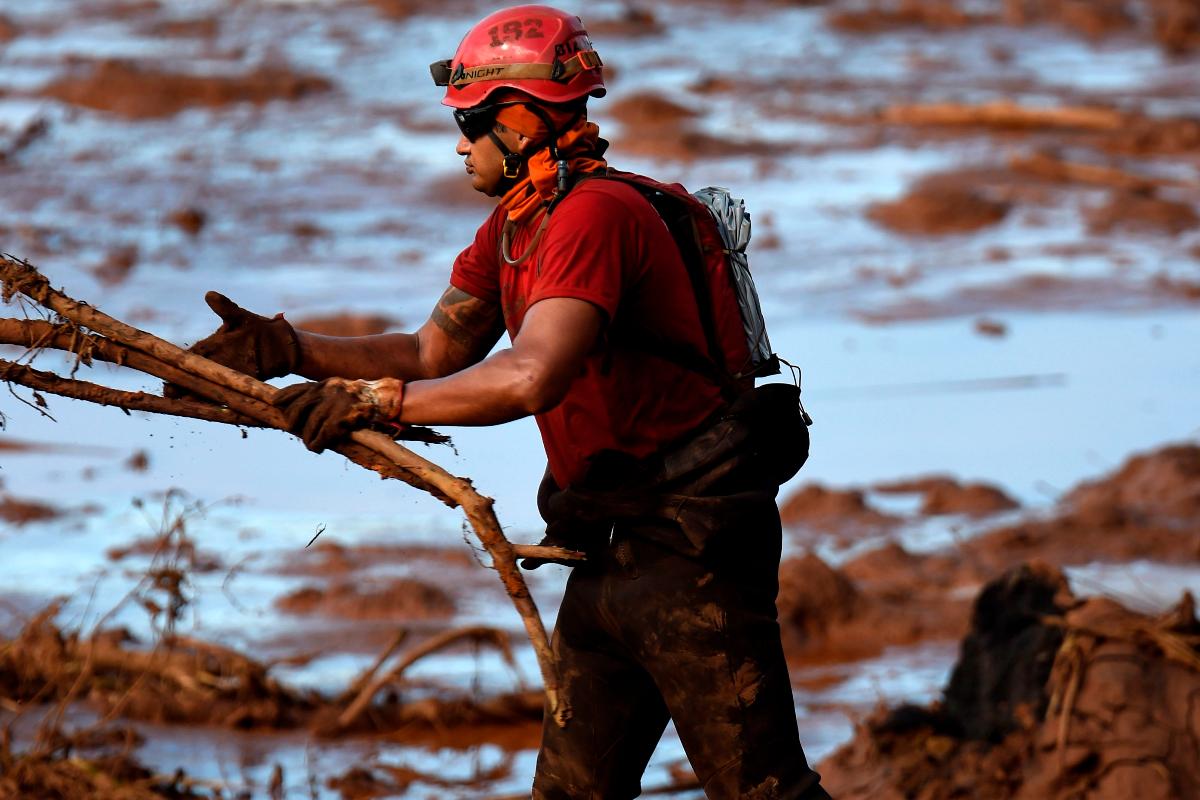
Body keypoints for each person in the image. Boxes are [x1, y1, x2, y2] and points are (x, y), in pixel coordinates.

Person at [181, 5, 830, 798]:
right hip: (605, 547)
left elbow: (532, 376)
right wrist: (288, 351)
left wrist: (378, 403)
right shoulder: (516, 227)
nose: (458, 144)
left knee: (765, 793)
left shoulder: (595, 216)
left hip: (692, 551)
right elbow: (433, 352)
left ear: (519, 122)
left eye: (468, 123)